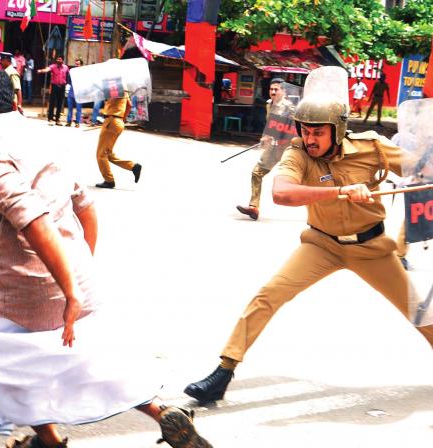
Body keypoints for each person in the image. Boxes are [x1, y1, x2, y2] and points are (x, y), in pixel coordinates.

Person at [0, 66, 213, 448]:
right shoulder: (39, 135)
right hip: (74, 270)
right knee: (90, 357)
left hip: (26, 285)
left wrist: (68, 289)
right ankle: (162, 412)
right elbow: (85, 204)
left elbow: (32, 219)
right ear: (13, 101)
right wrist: (80, 270)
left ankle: (48, 437)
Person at [183, 96, 433, 404]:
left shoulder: (372, 147)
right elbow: (281, 193)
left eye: (318, 132)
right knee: (268, 295)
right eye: (305, 130)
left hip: (372, 248)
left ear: (338, 130)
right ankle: (223, 371)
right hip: (322, 245)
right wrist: (340, 191)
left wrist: (425, 168)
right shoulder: (297, 152)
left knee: (420, 312)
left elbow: (421, 169)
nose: (310, 138)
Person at [236, 78, 297, 220]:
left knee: (304, 178)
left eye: (276, 89)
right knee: (257, 173)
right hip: (274, 147)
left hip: (288, 148)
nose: (273, 92)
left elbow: (295, 126)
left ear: (284, 91)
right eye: (271, 89)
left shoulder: (290, 108)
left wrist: (277, 135)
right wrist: (265, 137)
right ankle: (253, 207)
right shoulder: (269, 105)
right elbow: (270, 123)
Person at [94, 90, 142, 189]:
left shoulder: (113, 87)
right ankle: (133, 166)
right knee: (108, 153)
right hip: (118, 121)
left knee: (101, 154)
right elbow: (129, 105)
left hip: (111, 121)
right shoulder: (123, 89)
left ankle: (109, 181)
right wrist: (121, 119)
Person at [37, 56, 68, 125]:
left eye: (60, 59)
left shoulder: (66, 67)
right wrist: (41, 71)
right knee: (52, 103)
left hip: (62, 87)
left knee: (60, 104)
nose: (58, 60)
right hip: (54, 86)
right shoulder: (53, 66)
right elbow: (47, 69)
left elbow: (67, 75)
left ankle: (57, 119)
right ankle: (50, 118)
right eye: (57, 59)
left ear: (63, 60)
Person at [65, 58, 83, 128]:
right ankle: (69, 122)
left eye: (78, 64)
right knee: (70, 108)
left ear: (81, 65)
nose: (77, 65)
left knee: (78, 109)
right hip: (71, 92)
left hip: (79, 93)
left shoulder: (83, 73)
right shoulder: (71, 72)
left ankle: (77, 123)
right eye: (76, 64)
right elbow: (68, 81)